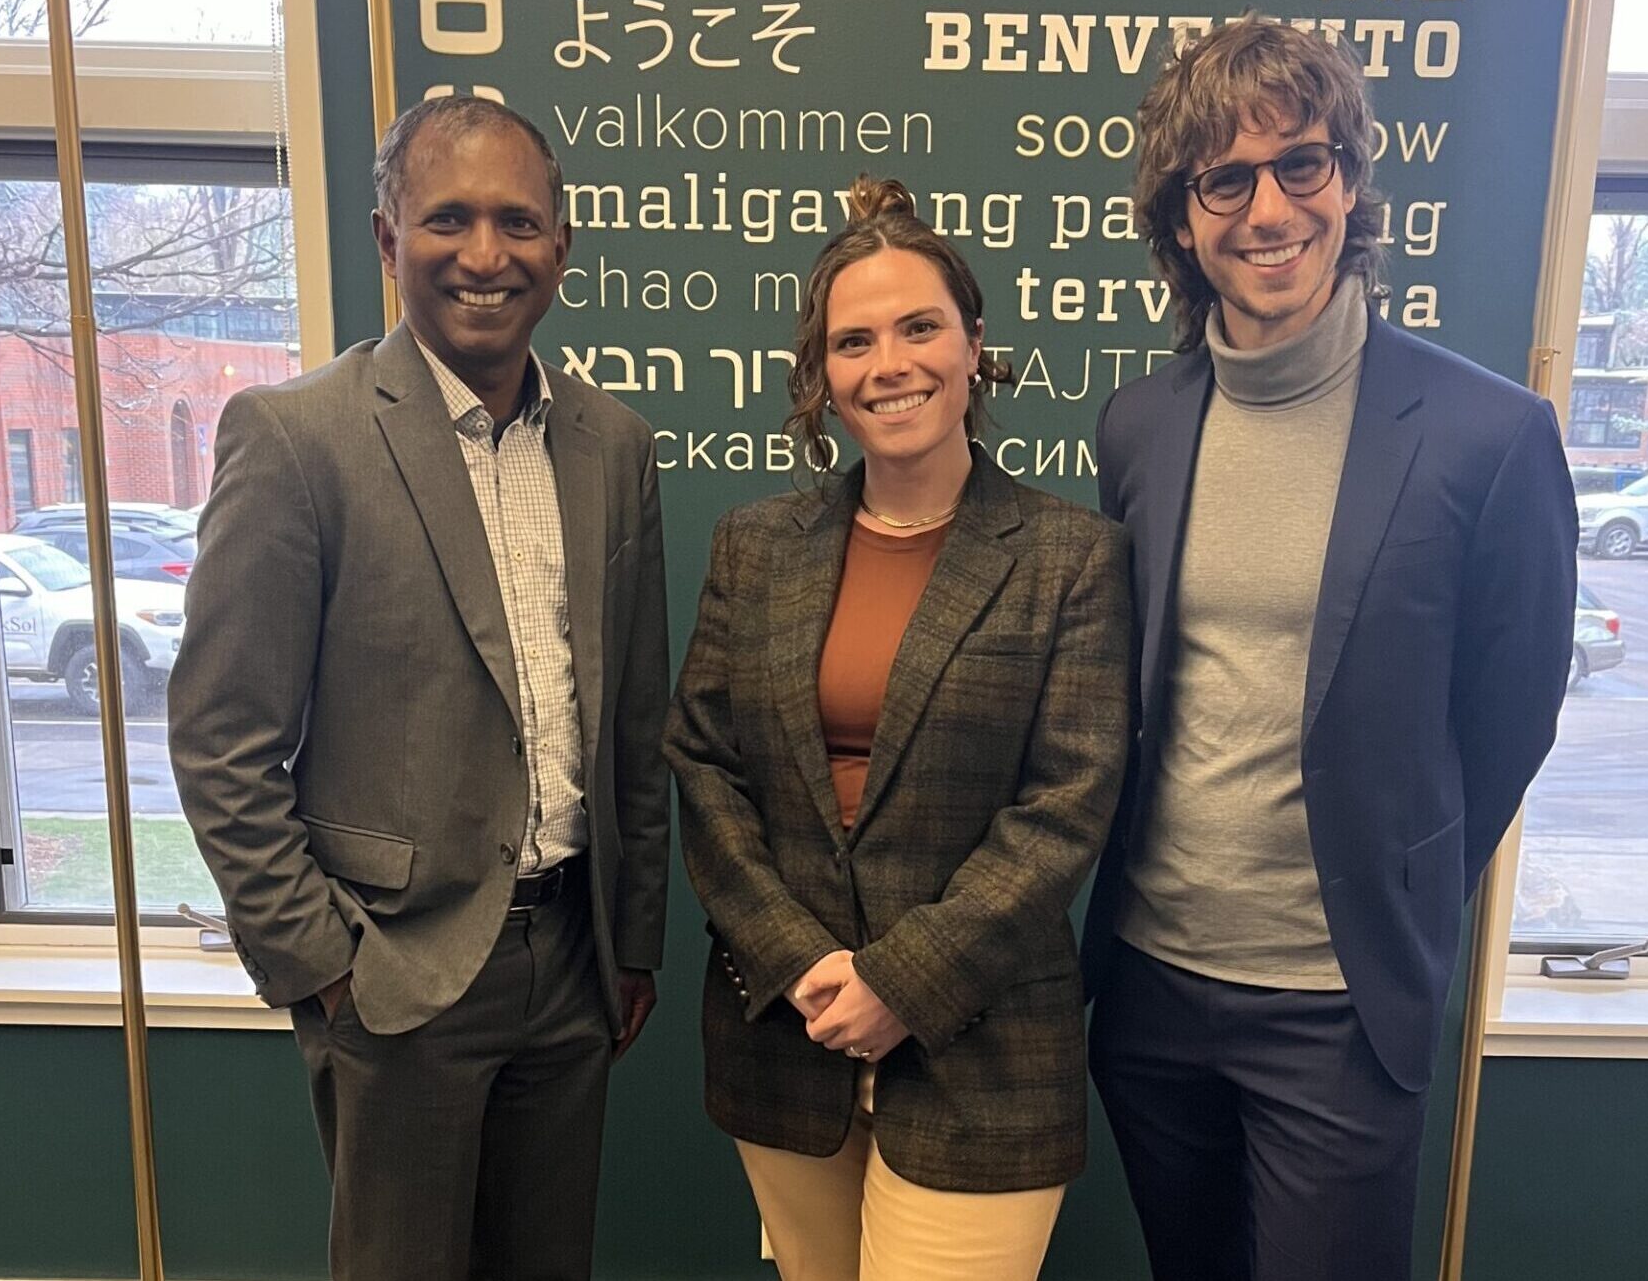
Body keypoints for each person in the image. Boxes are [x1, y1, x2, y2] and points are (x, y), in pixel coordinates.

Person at [1083, 19, 1578, 1280]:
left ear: (1351, 181)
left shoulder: (1488, 434)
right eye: (1225, 179)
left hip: (1337, 1004)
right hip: (1150, 986)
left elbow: (1509, 716)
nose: (1269, 208)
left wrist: (1399, 887)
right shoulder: (1138, 427)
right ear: (1183, 219)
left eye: (1301, 163)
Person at [169, 95, 671, 1280]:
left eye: (518, 220)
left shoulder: (615, 445)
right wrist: (323, 964)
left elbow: (632, 720)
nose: (485, 254)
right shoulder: (298, 438)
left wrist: (631, 937)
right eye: (449, 219)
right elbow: (220, 737)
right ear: (391, 240)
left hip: (575, 967)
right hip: (394, 974)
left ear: (563, 243)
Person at [666, 176, 1131, 1281]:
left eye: (920, 327)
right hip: (789, 1034)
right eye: (854, 340)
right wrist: (804, 963)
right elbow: (703, 764)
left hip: (985, 1052)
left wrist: (902, 982)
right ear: (821, 377)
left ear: (975, 345)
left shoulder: (1070, 556)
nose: (891, 364)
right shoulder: (755, 546)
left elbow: (1066, 806)